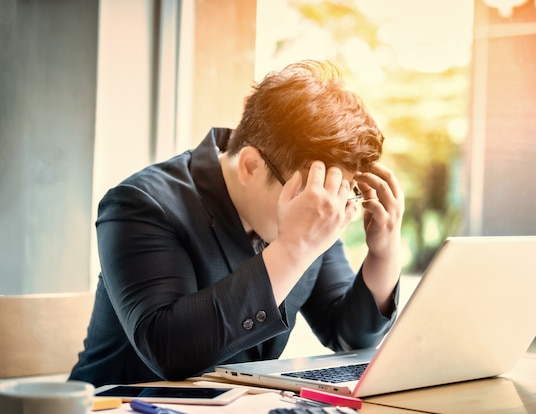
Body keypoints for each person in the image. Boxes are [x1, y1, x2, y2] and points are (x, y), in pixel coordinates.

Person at [69, 60, 405, 387]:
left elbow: (348, 336)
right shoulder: (141, 203)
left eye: (343, 191)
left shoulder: (317, 209)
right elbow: (169, 351)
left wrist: (384, 252)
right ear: (250, 166)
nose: (329, 209)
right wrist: (293, 249)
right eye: (317, 190)